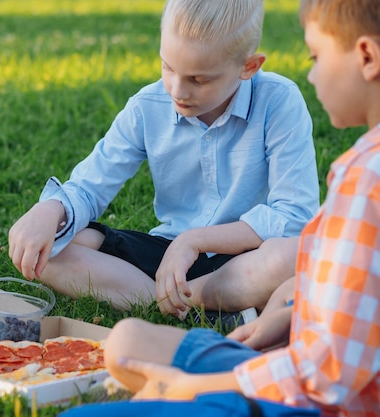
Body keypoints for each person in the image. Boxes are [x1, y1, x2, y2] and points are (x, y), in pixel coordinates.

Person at [67, 0, 380, 415]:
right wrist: (283, 312)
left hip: (290, 364)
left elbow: (325, 374)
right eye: (167, 68)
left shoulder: (363, 179)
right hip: (247, 322)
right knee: (112, 322)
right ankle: (174, 300)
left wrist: (190, 386)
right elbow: (330, 289)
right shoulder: (361, 168)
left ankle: (190, 306)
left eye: (316, 57)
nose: (178, 90)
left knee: (80, 413)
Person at [8, 0, 319, 325]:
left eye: (199, 79)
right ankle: (196, 307)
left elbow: (294, 216)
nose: (177, 90)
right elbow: (89, 188)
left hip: (246, 257)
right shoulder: (147, 106)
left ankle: (180, 300)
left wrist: (194, 241)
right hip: (166, 252)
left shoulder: (279, 100)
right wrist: (50, 211)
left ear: (249, 67)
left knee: (296, 257)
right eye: (168, 67)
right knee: (56, 245)